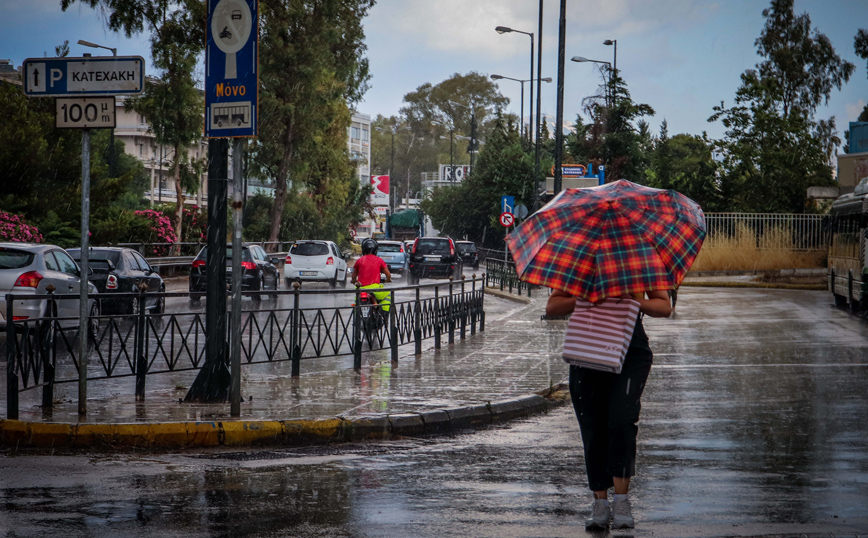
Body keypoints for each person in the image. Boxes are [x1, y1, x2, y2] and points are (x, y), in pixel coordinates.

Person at [546, 288, 672, 530]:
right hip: (588, 351)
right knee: (593, 428)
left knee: (622, 422)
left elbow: (664, 307)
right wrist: (586, 298)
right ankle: (600, 503)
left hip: (630, 353)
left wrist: (636, 302)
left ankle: (622, 502)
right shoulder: (581, 257)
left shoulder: (638, 257)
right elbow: (553, 307)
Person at [351, 238, 392, 311]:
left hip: (361, 289)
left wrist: (354, 281)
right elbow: (388, 275)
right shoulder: (379, 260)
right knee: (388, 296)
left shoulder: (360, 260)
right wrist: (387, 280)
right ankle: (385, 315)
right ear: (375, 249)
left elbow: (354, 276)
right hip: (375, 289)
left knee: (357, 304)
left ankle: (356, 318)